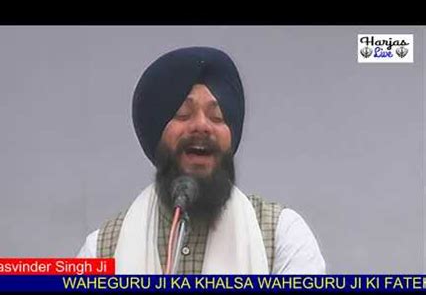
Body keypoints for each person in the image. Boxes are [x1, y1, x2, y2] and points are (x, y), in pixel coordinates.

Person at [77, 46, 326, 275]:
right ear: (157, 132)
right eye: (183, 114)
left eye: (217, 117)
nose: (201, 126)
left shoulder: (281, 235)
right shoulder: (102, 248)